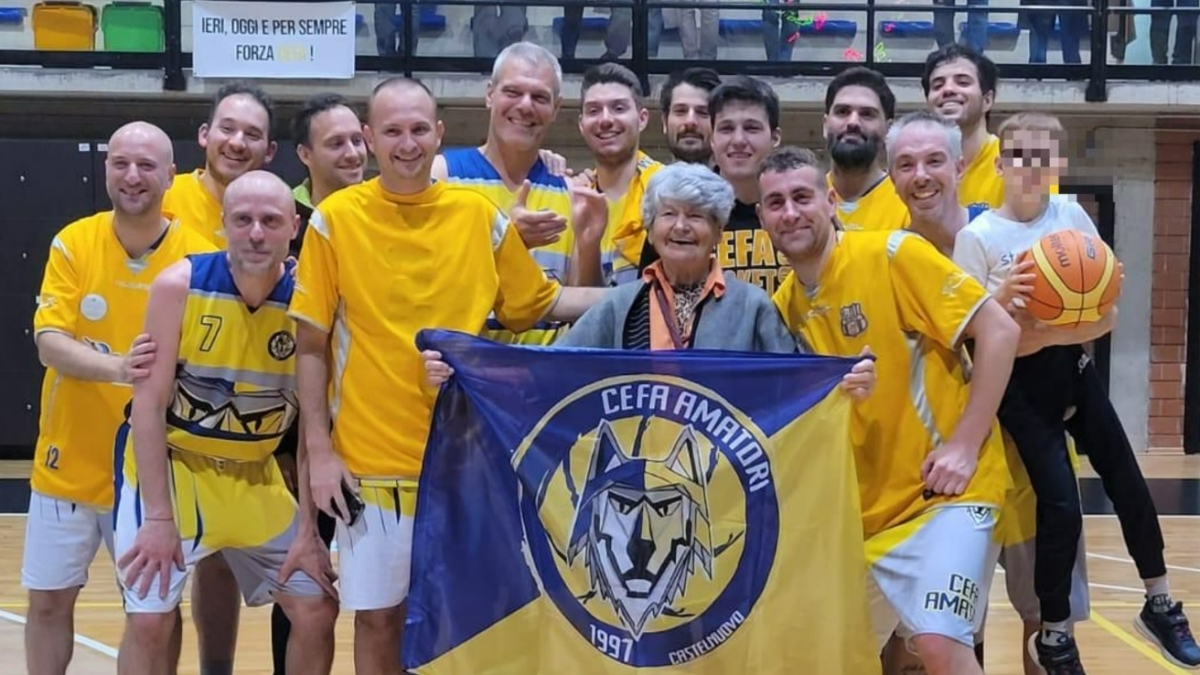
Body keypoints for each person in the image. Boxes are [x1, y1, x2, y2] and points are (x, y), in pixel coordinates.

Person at [288, 76, 607, 675]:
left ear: (438, 134)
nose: (406, 144)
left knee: (462, 620)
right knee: (378, 620)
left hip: (467, 463)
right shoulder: (335, 220)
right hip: (371, 467)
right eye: (391, 132)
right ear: (369, 137)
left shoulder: (478, 218)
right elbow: (310, 345)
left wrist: (640, 293)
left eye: (417, 130)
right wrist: (320, 451)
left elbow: (537, 304)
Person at [953, 112, 1200, 673]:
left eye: (1044, 158)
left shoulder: (1071, 219)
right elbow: (979, 343)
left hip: (1071, 366)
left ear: (1059, 166)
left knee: (1129, 479)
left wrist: (1037, 330)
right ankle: (1056, 635)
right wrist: (1007, 306)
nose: (1031, 169)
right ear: (1000, 163)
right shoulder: (978, 238)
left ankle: (1159, 601)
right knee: (1060, 503)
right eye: (1020, 157)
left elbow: (1106, 316)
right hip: (1013, 387)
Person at [759, 145, 1020, 675]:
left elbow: (1000, 329)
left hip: (942, 498)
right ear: (762, 217)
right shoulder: (784, 305)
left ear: (831, 201)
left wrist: (965, 446)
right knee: (819, 658)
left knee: (940, 645)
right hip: (861, 518)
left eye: (803, 197)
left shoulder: (894, 253)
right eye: (776, 202)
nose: (791, 213)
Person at [112, 171, 339, 675]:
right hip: (177, 472)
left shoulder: (310, 300)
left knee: (317, 608)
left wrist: (308, 532)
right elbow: (146, 408)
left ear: (293, 227)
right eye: (243, 220)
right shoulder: (180, 284)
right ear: (224, 225)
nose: (256, 232)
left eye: (270, 220)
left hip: (254, 475)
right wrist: (157, 519)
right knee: (149, 618)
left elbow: (310, 428)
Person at [22, 121, 215, 675]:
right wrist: (123, 369)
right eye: (120, 164)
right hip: (68, 465)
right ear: (106, 169)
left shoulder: (199, 257)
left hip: (154, 478)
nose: (132, 176)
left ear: (170, 176)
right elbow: (49, 342)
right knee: (49, 601)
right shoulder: (74, 241)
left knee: (151, 618)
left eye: (146, 165)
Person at [268, 91, 367, 675]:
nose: (353, 152)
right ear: (304, 154)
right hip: (298, 429)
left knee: (379, 590)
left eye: (358, 138)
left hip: (369, 426)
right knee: (305, 575)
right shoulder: (285, 222)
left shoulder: (387, 211)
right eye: (337, 143)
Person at [432, 41, 575, 345]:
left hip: (546, 381)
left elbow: (577, 306)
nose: (525, 105)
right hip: (465, 376)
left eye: (539, 97)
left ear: (556, 109)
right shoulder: (441, 175)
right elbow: (423, 286)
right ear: (489, 95)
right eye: (513, 92)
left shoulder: (570, 188)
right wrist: (506, 243)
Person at [640, 76, 790, 295]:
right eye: (726, 129)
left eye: (751, 128)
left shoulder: (799, 210)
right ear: (712, 138)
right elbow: (648, 301)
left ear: (775, 137)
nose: (738, 140)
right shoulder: (676, 211)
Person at [572, 63, 662, 288]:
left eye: (618, 108)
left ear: (642, 119)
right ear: (581, 124)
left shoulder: (668, 192)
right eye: (593, 110)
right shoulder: (573, 197)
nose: (605, 120)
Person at [164, 82, 279, 247]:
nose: (237, 143)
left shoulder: (278, 212)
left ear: (270, 151)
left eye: (252, 135)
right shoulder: (164, 196)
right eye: (227, 129)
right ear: (204, 135)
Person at [823, 67, 909, 232]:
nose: (853, 122)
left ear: (888, 130)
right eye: (842, 112)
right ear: (825, 125)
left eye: (867, 114)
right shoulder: (802, 201)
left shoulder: (909, 202)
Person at [922, 45, 1003, 212]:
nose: (948, 90)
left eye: (963, 82)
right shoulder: (914, 170)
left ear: (987, 100)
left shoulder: (1023, 164)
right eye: (937, 86)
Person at [659, 67, 721, 165]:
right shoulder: (648, 180)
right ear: (664, 122)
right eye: (680, 111)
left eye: (703, 113)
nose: (690, 121)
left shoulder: (737, 180)